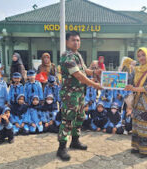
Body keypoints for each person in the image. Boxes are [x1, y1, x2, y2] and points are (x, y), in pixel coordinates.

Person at [57, 31, 102, 161]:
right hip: (69, 94)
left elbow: (84, 71)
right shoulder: (67, 57)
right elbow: (79, 75)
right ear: (67, 42)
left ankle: (75, 141)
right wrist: (94, 84)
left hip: (80, 93)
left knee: (80, 116)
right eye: (73, 40)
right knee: (68, 120)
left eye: (78, 40)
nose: (76, 42)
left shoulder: (78, 55)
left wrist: (95, 72)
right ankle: (62, 147)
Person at [124, 47, 147, 158]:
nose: (141, 58)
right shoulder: (136, 70)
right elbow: (129, 82)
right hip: (137, 102)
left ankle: (146, 150)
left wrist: (134, 89)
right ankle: (137, 147)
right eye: (139, 56)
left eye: (143, 55)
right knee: (137, 125)